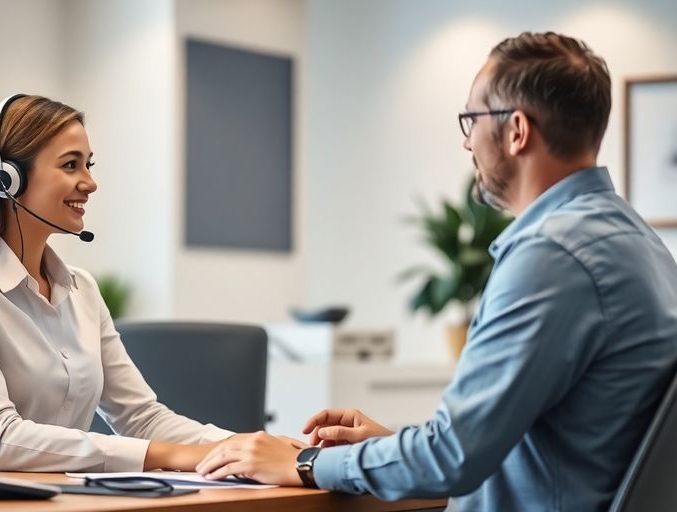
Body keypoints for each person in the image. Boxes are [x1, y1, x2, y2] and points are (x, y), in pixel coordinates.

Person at [196, 31, 677, 510]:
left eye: (471, 119)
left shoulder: (552, 255)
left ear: (516, 131)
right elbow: (516, 449)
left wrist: (305, 463)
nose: (467, 142)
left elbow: (453, 457)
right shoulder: (638, 243)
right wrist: (388, 449)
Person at [0, 94, 244, 472]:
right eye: (71, 165)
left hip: (52, 496)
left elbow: (140, 418)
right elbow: (0, 440)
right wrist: (173, 455)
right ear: (6, 179)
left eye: (88, 165)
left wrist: (239, 446)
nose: (90, 183)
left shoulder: (82, 290)